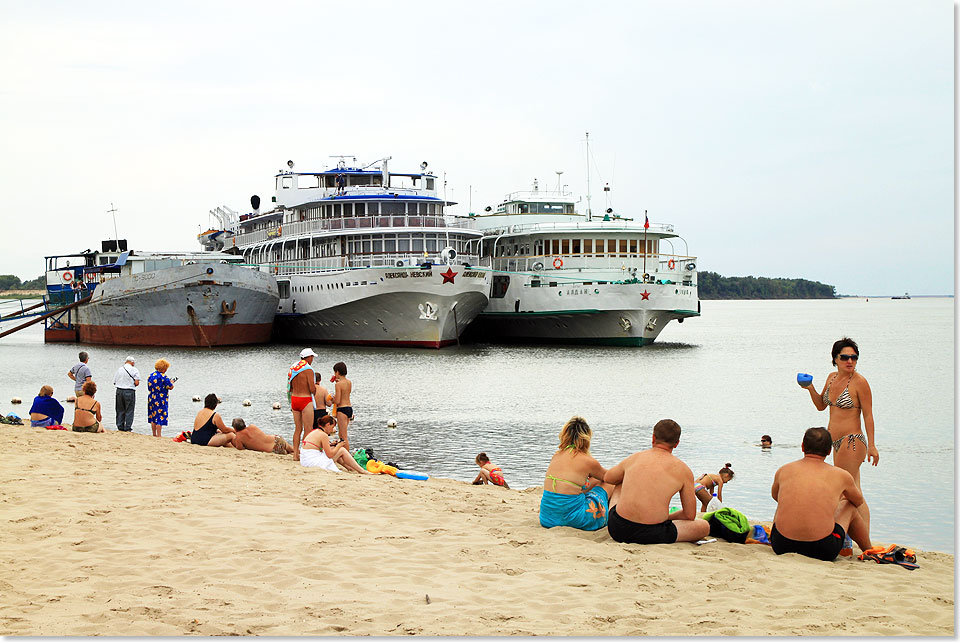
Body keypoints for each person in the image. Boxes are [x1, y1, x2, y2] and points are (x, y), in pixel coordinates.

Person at [799, 337, 878, 535]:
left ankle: (849, 536)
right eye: (845, 357)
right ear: (835, 359)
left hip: (852, 441)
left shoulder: (860, 383)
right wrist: (810, 388)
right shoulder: (832, 377)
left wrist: (873, 445)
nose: (850, 361)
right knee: (854, 491)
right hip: (833, 441)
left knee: (845, 492)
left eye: (854, 357)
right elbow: (820, 405)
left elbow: (868, 416)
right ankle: (859, 537)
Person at [770, 427, 871, 561]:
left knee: (785, 501)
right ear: (829, 451)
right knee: (848, 505)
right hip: (822, 549)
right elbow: (858, 502)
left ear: (802, 446)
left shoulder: (784, 470)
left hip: (781, 544)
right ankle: (869, 550)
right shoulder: (841, 475)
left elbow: (775, 496)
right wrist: (834, 499)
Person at [603, 419, 711, 545]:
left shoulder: (634, 458)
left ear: (653, 437)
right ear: (677, 444)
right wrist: (666, 518)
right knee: (704, 526)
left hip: (618, 529)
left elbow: (608, 478)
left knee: (619, 481)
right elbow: (689, 515)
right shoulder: (684, 470)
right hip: (653, 534)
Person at [539, 415, 617, 530]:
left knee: (593, 480)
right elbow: (609, 477)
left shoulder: (556, 456)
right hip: (573, 519)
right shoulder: (587, 461)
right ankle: (611, 516)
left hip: (547, 519)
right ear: (586, 438)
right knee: (609, 483)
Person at [300, 415, 370, 473]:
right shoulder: (323, 435)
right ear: (328, 425)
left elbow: (316, 446)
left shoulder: (315, 431)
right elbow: (330, 455)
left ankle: (350, 468)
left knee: (335, 449)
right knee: (341, 450)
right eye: (332, 427)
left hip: (305, 460)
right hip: (312, 462)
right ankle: (361, 471)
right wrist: (339, 445)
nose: (332, 430)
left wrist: (332, 445)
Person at [288, 348, 318, 461]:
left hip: (294, 399)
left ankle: (295, 454)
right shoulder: (308, 370)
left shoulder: (293, 368)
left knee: (297, 429)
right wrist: (315, 391)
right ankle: (305, 454)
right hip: (305, 399)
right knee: (308, 429)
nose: (313, 359)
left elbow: (289, 387)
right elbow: (311, 388)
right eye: (312, 357)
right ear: (309, 357)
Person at [147, 358, 175, 438]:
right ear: (164, 368)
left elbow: (149, 386)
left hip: (152, 397)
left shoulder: (151, 375)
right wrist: (171, 383)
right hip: (161, 398)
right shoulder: (164, 376)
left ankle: (154, 434)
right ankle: (159, 435)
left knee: (153, 415)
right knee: (160, 416)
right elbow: (170, 387)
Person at [112, 355, 140, 432]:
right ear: (132, 362)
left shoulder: (119, 369)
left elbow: (114, 382)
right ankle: (127, 427)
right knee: (129, 410)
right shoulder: (134, 370)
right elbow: (137, 383)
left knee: (120, 409)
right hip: (129, 391)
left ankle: (120, 426)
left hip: (119, 391)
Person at [332, 361, 353, 451]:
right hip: (349, 407)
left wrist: (331, 399)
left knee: (343, 436)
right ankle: (344, 454)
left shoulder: (338, 384)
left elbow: (338, 400)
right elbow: (346, 394)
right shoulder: (349, 382)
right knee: (343, 435)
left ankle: (347, 456)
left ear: (337, 372)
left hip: (342, 409)